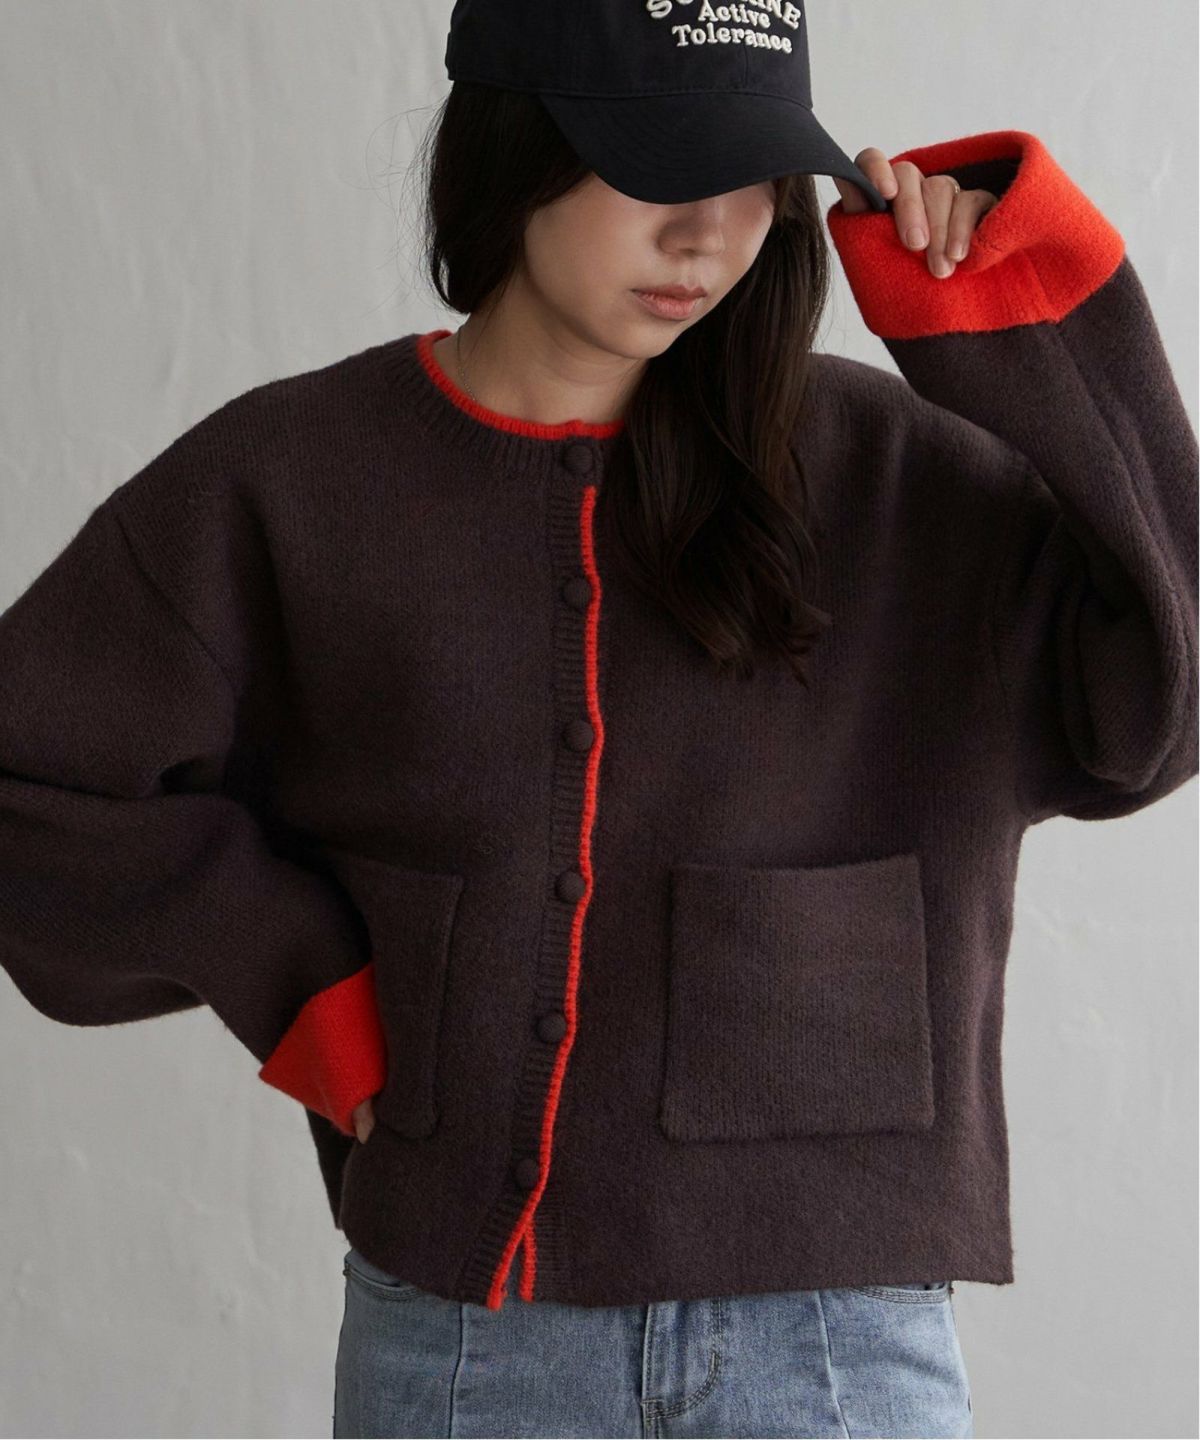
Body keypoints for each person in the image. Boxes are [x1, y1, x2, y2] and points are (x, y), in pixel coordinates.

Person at [1, 3, 1195, 1438]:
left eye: (754, 179)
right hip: (470, 1344)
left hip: (835, 1343)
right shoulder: (291, 480)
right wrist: (294, 977)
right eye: (658, 167)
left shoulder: (888, 472)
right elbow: (29, 773)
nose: (708, 235)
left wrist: (1021, 313)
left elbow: (1161, 705)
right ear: (514, 146)